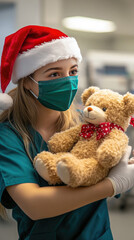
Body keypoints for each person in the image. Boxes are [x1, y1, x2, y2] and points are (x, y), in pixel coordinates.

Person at [0, 25, 134, 240]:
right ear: (27, 82)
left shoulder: (86, 123)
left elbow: (106, 163)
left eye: (72, 71)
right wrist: (111, 186)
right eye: (54, 74)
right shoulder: (10, 136)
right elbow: (34, 205)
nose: (67, 81)